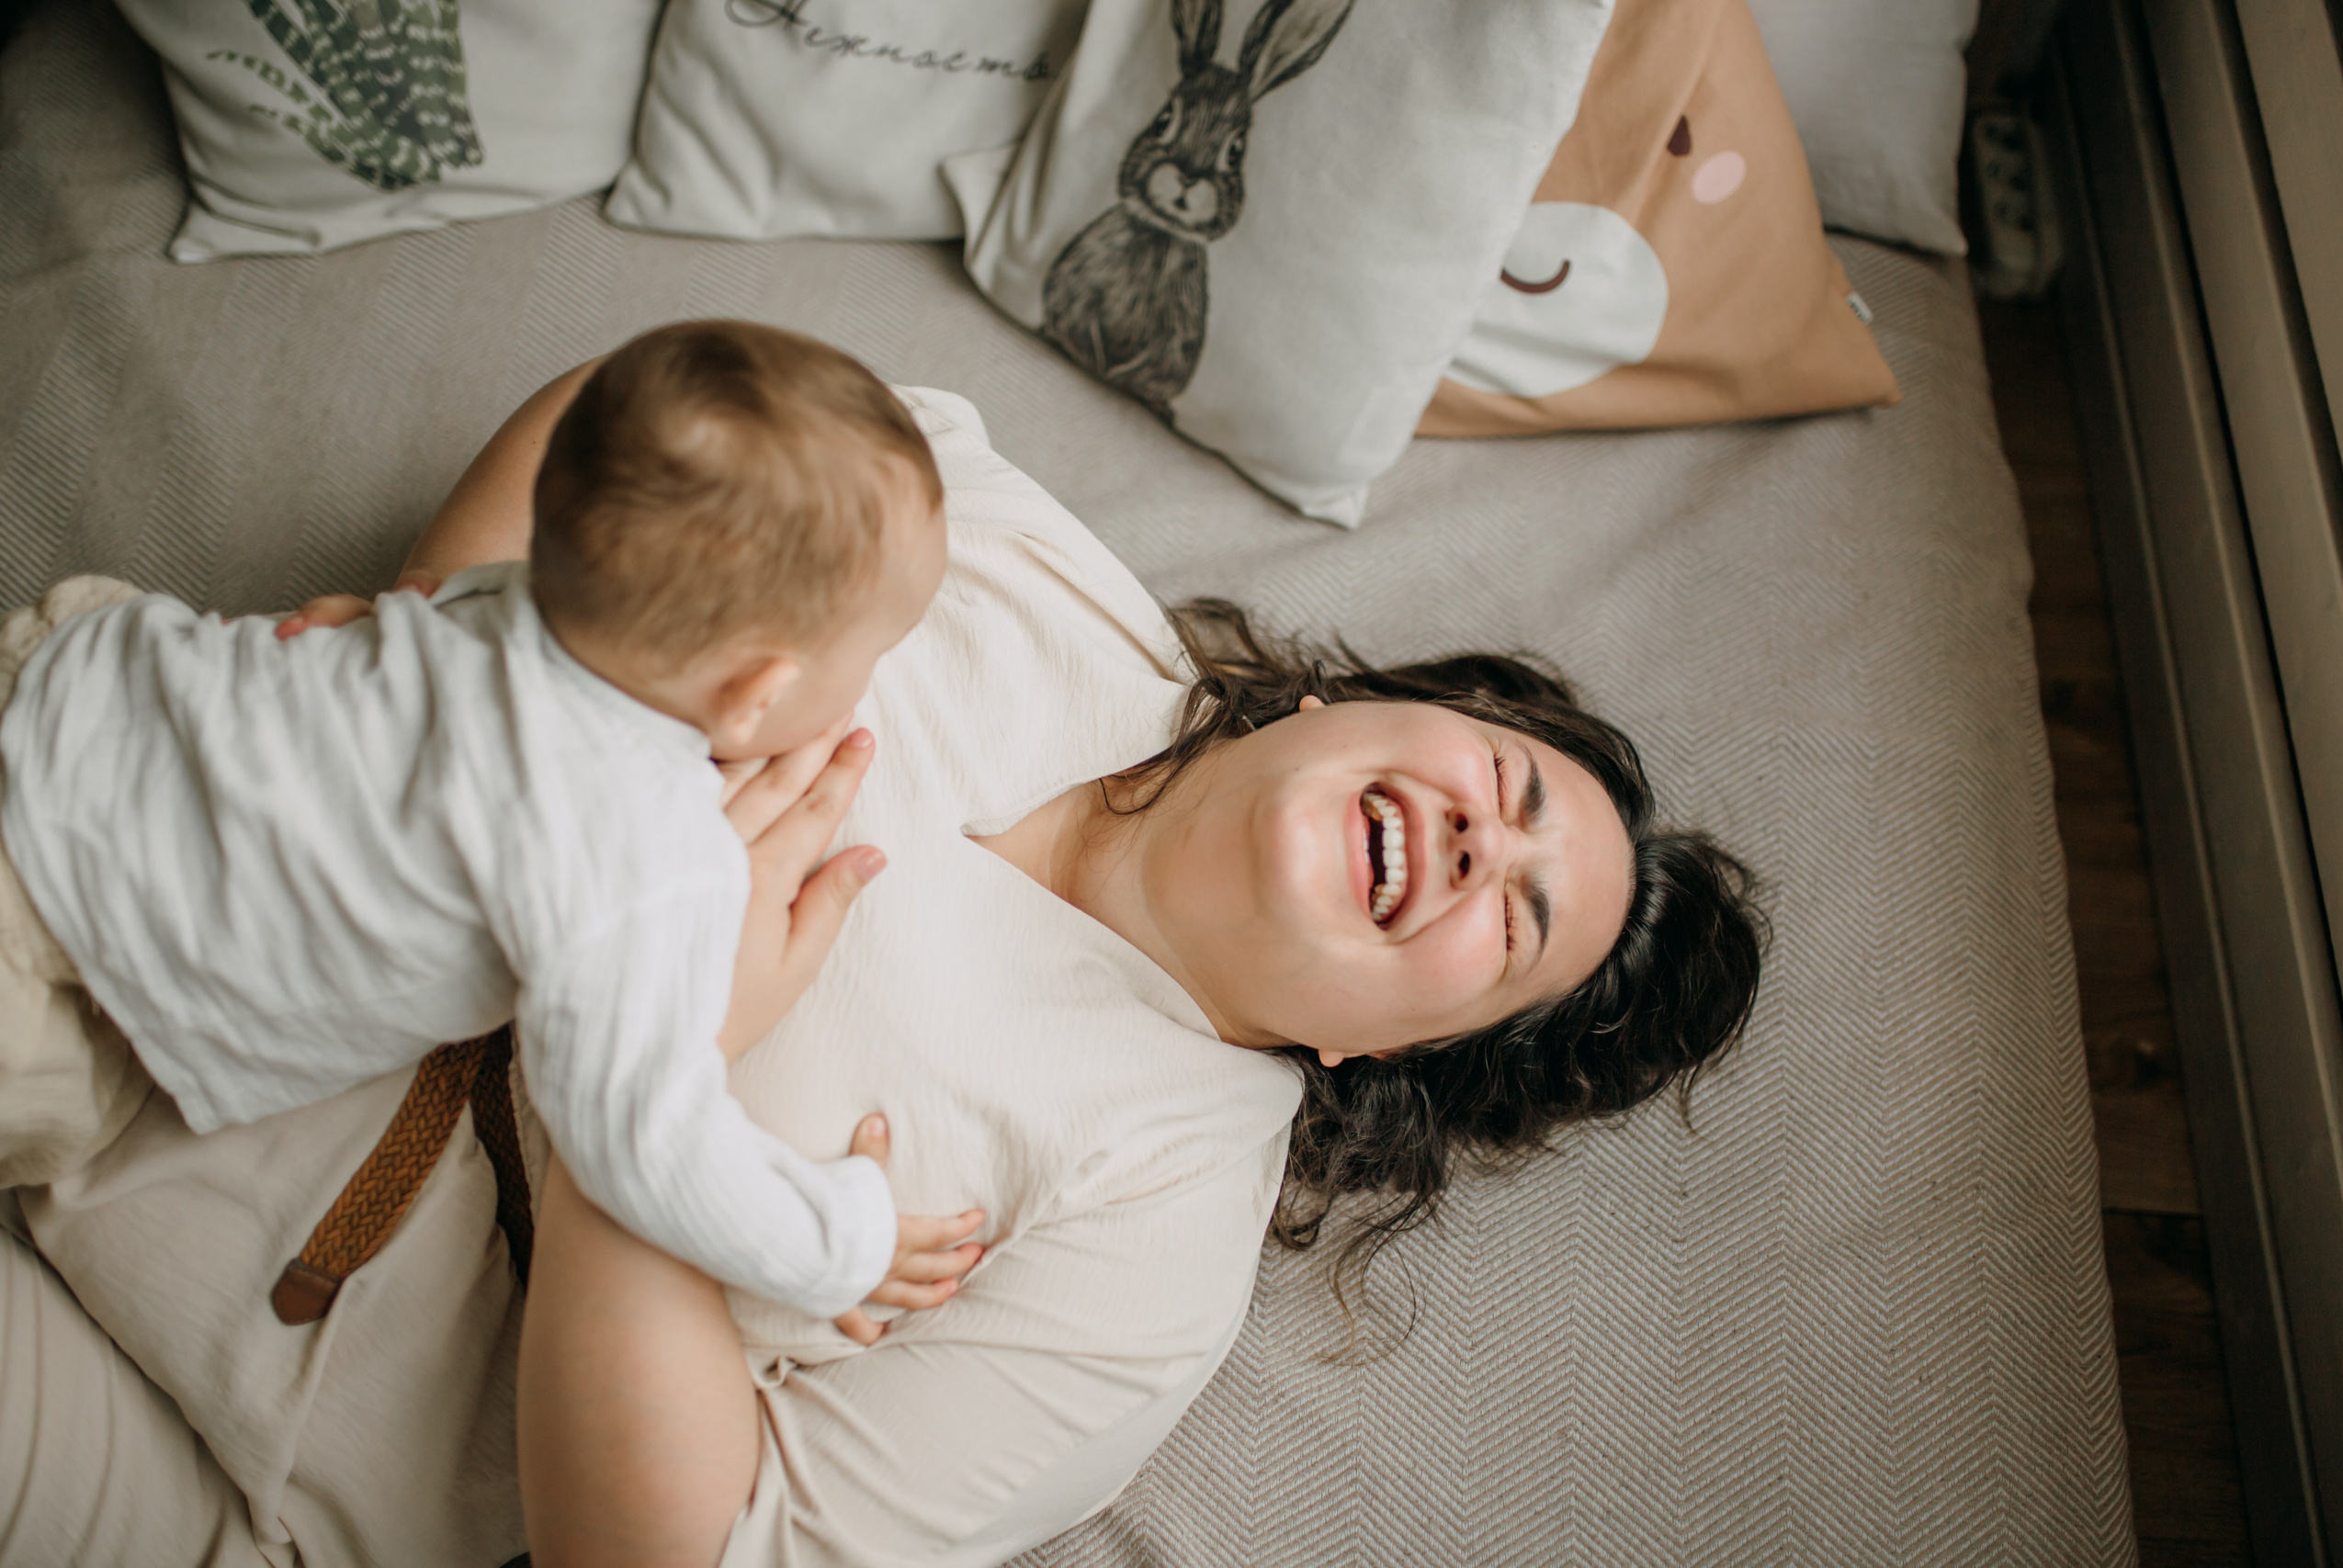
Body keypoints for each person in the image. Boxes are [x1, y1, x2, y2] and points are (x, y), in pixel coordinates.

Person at [2, 372, 1765, 1568]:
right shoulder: (1029, 575)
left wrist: (660, 1107)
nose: (1482, 844)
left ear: (1382, 1057)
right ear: (1348, 701)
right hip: (162, 866)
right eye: (1508, 787)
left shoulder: (1150, 1254)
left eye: (1514, 921)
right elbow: (666, 411)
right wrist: (446, 650)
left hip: (238, 1418)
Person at [0, 321, 982, 1338]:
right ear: (752, 693)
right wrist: (840, 1244)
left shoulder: (519, 592)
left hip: (76, 682)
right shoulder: (642, 855)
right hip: (55, 954)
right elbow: (646, 1140)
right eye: (874, 653)